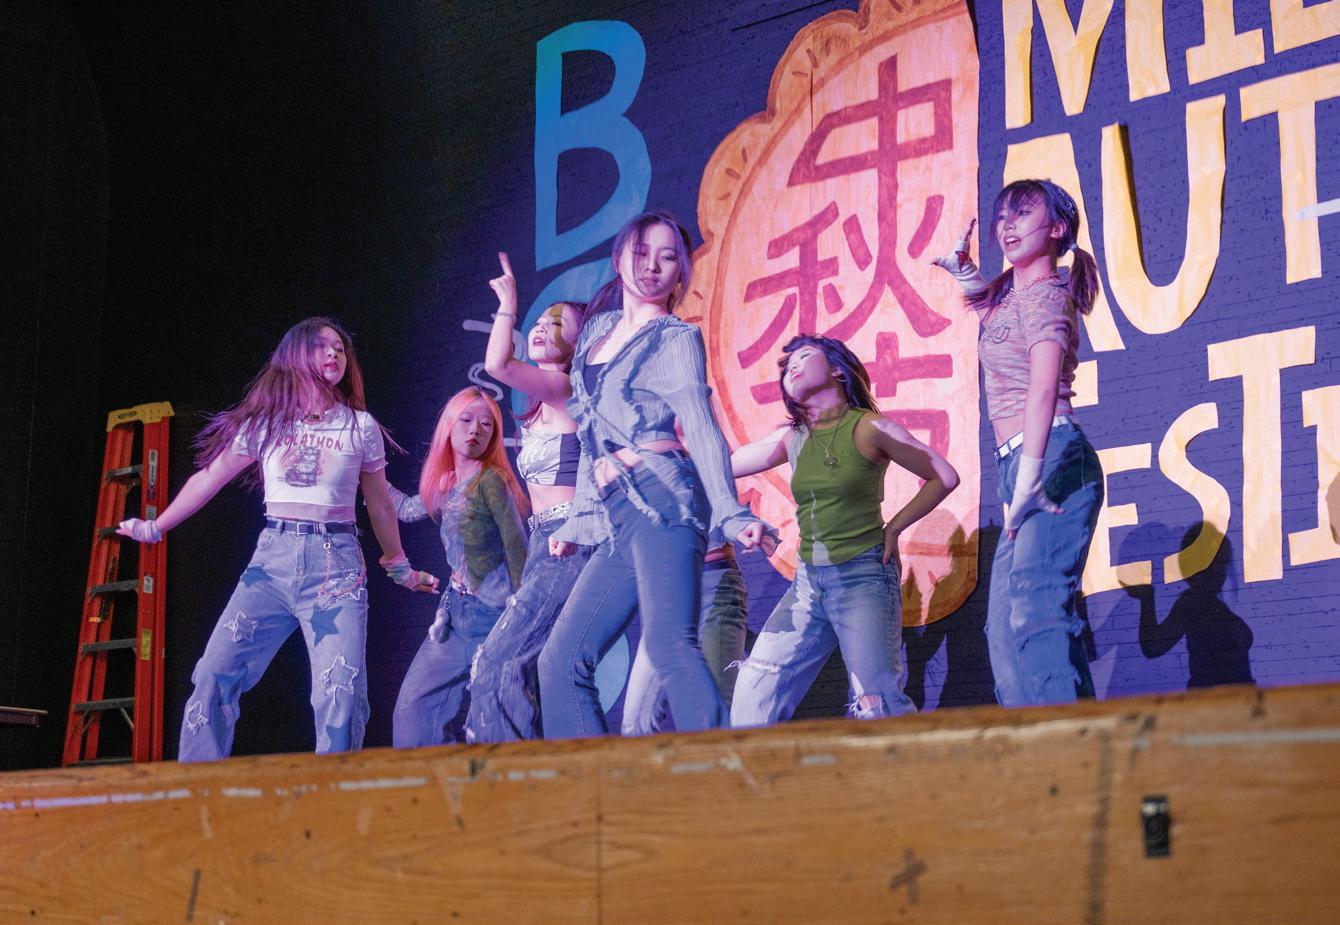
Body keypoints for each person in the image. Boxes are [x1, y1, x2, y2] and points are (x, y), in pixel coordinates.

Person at [118, 317, 438, 762]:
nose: (334, 354)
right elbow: (208, 478)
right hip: (271, 564)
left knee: (341, 690)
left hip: (336, 566)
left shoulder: (359, 427)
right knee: (214, 673)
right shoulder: (266, 423)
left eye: (340, 349)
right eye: (322, 346)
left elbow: (380, 504)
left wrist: (399, 567)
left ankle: (334, 792)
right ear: (296, 355)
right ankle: (196, 784)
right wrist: (155, 527)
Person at [538, 210, 775, 738]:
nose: (651, 266)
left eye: (667, 258)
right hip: (618, 514)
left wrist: (730, 512)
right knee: (560, 661)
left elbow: (702, 427)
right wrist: (579, 520)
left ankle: (723, 766)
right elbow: (592, 432)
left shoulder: (675, 338)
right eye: (642, 252)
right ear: (619, 257)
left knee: (670, 644)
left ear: (680, 274)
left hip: (664, 498)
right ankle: (597, 784)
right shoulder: (597, 332)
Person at [933, 178, 1104, 706]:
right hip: (1025, 470)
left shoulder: (1048, 295)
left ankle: (1075, 741)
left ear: (1056, 228)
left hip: (1051, 460)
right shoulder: (1015, 299)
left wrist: (1028, 478)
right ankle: (1033, 744)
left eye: (1022, 213)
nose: (1007, 225)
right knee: (1005, 631)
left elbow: (1043, 389)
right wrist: (964, 270)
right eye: (1002, 215)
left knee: (1037, 610)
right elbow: (996, 321)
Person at [729, 335, 958, 726]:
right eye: (786, 366)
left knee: (878, 704)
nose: (792, 366)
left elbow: (944, 476)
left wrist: (895, 527)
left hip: (862, 577)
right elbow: (727, 464)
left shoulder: (869, 427)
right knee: (754, 692)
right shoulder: (793, 437)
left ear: (837, 369)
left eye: (804, 356)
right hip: (808, 582)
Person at [465, 253, 596, 742]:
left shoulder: (566, 387)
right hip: (545, 543)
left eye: (557, 323)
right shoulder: (540, 404)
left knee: (498, 662)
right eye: (539, 321)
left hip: (570, 542)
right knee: (525, 669)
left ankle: (513, 772)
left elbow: (497, 363)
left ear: (580, 342)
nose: (542, 327)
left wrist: (508, 305)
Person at [389, 386, 528, 747]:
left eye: (486, 425)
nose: (475, 430)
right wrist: (366, 473)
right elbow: (405, 510)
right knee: (413, 712)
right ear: (449, 426)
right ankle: (441, 783)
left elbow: (517, 546)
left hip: (495, 615)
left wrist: (521, 617)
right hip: (453, 616)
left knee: (498, 722)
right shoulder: (445, 484)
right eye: (466, 420)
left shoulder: (492, 481)